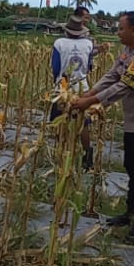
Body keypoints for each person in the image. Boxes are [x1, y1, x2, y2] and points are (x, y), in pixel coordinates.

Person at [70, 11, 134, 245]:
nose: (118, 32)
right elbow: (112, 75)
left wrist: (89, 102)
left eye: (121, 28)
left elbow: (123, 86)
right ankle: (130, 213)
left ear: (133, 30)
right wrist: (90, 92)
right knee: (133, 169)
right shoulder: (128, 52)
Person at [48, 15, 96, 170]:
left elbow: (56, 68)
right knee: (83, 123)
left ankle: (61, 154)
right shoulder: (88, 44)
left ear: (67, 30)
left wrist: (58, 81)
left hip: (62, 89)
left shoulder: (59, 43)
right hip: (82, 89)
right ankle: (87, 157)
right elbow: (89, 66)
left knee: (59, 121)